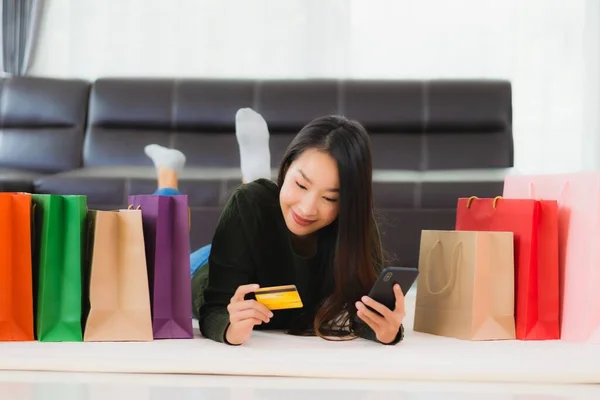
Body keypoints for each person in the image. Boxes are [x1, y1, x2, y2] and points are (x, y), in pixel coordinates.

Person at [144, 108, 406, 346]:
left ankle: (257, 177)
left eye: (330, 198)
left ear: (349, 203)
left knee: (257, 202)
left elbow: (366, 313)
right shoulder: (248, 206)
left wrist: (388, 331)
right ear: (286, 165)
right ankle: (168, 172)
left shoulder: (354, 226)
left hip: (258, 236)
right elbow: (215, 309)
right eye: (301, 185)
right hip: (203, 267)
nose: (307, 209)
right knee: (167, 236)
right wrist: (231, 329)